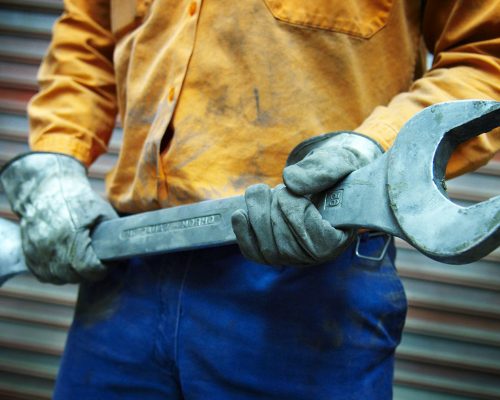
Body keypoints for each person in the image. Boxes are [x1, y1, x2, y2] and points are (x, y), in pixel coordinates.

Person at [1, 1, 499, 398]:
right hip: (122, 274)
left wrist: (371, 150)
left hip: (309, 283)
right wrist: (55, 157)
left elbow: (487, 56)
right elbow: (85, 36)